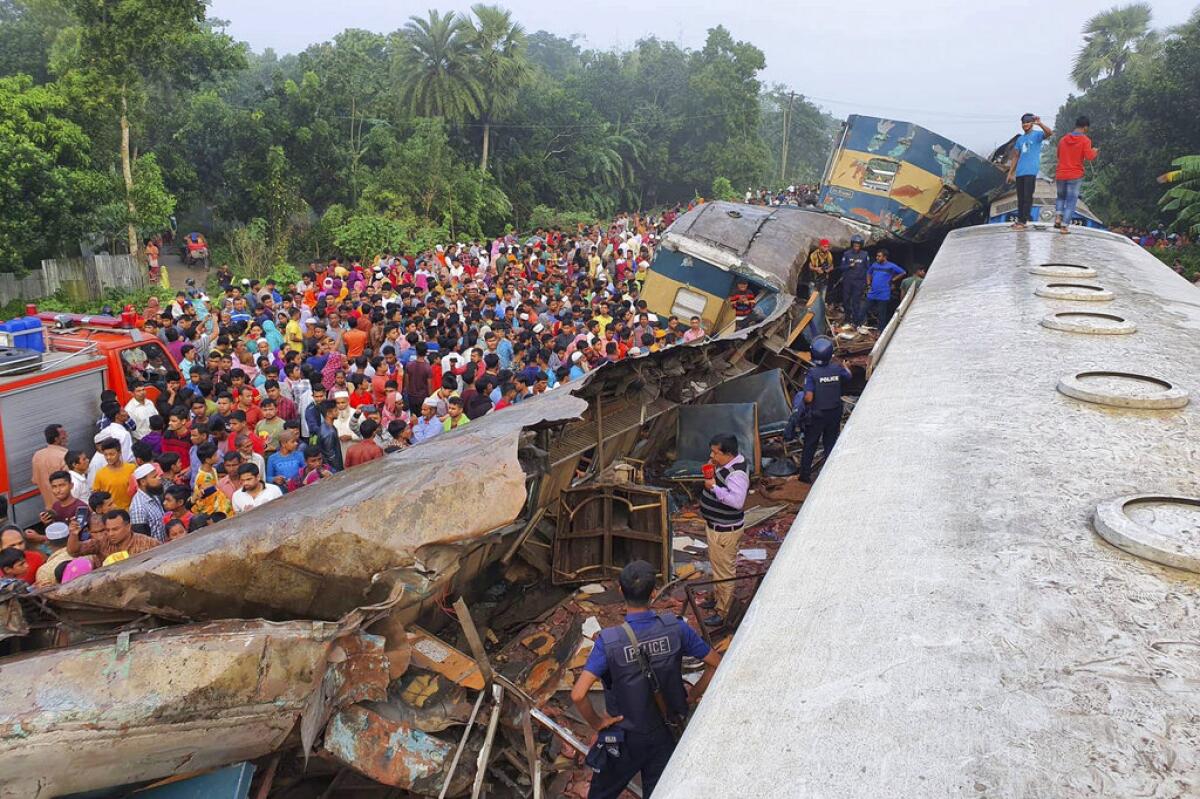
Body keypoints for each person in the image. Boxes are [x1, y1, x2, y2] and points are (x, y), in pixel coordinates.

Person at [570, 560, 722, 799]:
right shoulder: (677, 628)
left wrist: (598, 723)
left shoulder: (608, 642)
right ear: (653, 593)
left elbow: (578, 695)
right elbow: (715, 663)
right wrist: (692, 696)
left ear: (620, 591)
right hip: (666, 729)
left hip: (624, 737)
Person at [698, 433, 749, 627]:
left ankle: (723, 611)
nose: (712, 455)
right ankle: (717, 598)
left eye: (715, 452)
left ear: (727, 453)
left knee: (724, 572)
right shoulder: (731, 464)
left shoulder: (737, 474)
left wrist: (713, 488)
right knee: (717, 567)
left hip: (725, 531)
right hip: (717, 527)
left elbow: (737, 502)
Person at [799, 336, 852, 484]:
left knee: (810, 444)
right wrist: (845, 365)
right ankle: (830, 475)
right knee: (830, 443)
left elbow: (809, 398)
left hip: (817, 415)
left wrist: (802, 400)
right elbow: (848, 376)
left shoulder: (812, 373)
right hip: (834, 412)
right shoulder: (837, 369)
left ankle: (804, 476)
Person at [1007, 113, 1052, 230]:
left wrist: (1040, 123)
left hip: (1031, 171)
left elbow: (1049, 133)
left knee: (1027, 196)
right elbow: (1016, 156)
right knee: (1020, 197)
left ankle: (1023, 221)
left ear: (1031, 123)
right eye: (1023, 123)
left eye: (1027, 122)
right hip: (1020, 172)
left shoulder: (1037, 135)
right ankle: (1019, 220)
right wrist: (1010, 172)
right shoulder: (1020, 139)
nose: (1025, 125)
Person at [1055, 115, 1099, 234]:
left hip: (1061, 173)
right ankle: (1064, 227)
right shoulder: (1085, 140)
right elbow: (1089, 157)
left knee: (1060, 197)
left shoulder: (1063, 139)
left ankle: (1058, 217)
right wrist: (1094, 152)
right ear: (1085, 127)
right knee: (1071, 201)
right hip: (1075, 174)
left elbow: (1058, 155)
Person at [865, 249, 906, 329]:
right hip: (872, 292)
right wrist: (868, 284)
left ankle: (881, 330)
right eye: (877, 256)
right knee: (863, 309)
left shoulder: (891, 266)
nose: (877, 258)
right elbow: (868, 273)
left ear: (885, 257)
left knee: (882, 314)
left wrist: (893, 279)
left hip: (883, 294)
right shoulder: (874, 265)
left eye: (879, 256)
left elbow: (903, 272)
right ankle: (860, 325)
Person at [91, 438, 136, 510]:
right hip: (112, 514)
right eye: (105, 455)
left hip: (132, 510)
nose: (108, 457)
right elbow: (96, 494)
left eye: (112, 454)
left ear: (119, 452)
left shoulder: (132, 468)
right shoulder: (100, 474)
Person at [31, 423, 69, 508]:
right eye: (64, 435)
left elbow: (35, 481)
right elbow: (72, 484)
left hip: (49, 508)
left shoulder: (37, 455)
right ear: (56, 439)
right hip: (66, 507)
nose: (67, 436)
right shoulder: (65, 456)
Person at [128, 462, 166, 542]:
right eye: (154, 477)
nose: (159, 478)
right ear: (143, 482)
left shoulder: (153, 495)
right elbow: (141, 540)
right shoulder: (138, 508)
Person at [839, 235, 871, 330]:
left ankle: (856, 322)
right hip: (848, 281)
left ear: (861, 245)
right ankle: (848, 319)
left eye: (858, 245)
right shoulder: (847, 254)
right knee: (846, 300)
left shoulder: (865, 254)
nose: (856, 247)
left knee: (856, 302)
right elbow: (841, 267)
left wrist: (867, 282)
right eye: (855, 245)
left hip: (859, 282)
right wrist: (849, 265)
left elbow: (868, 269)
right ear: (852, 245)